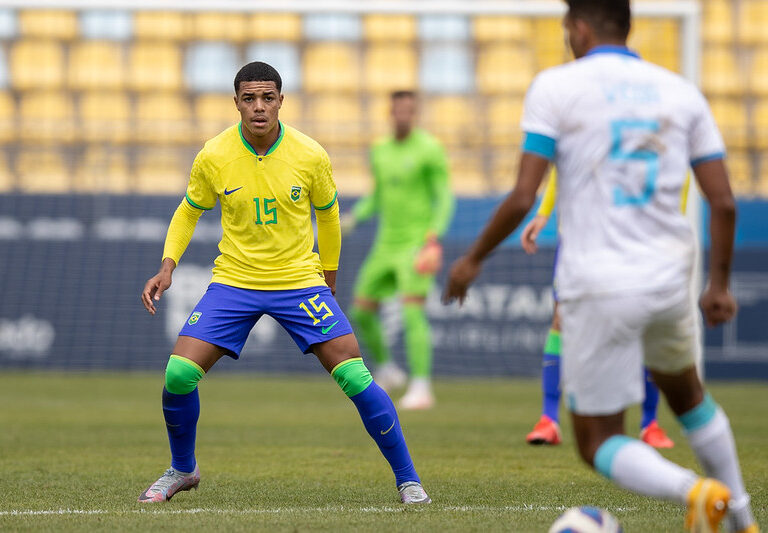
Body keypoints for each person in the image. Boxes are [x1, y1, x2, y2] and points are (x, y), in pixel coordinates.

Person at [443, 1, 757, 531]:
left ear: (579, 27)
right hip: (670, 280)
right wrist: (719, 285)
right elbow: (724, 202)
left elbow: (524, 196)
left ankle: (697, 492)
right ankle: (742, 518)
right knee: (691, 400)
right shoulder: (681, 92)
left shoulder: (556, 87)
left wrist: (472, 260)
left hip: (599, 283)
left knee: (596, 439)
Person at [138, 62, 430, 505]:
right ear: (236, 102)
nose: (259, 107)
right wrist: (168, 264)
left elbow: (329, 215)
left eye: (267, 98)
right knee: (178, 374)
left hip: (298, 281)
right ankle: (183, 469)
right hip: (235, 280)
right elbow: (188, 210)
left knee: (355, 375)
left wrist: (328, 277)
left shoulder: (309, 154)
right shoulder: (214, 154)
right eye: (249, 98)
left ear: (281, 101)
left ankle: (408, 480)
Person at [522, 174, 674, 449]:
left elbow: (673, 176)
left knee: (643, 323)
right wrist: (544, 214)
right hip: (578, 240)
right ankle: (548, 420)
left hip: (632, 239)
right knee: (561, 320)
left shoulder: (641, 134)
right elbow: (561, 168)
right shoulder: (577, 132)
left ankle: (649, 423)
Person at [343, 91, 454, 410]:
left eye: (409, 111)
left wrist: (433, 238)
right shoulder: (379, 150)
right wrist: (355, 217)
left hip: (416, 244)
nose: (403, 116)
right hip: (385, 245)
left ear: (414, 113)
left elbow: (444, 197)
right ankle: (389, 370)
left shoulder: (429, 148)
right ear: (390, 112)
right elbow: (377, 196)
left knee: (412, 310)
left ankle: (422, 386)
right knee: (361, 310)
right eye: (398, 111)